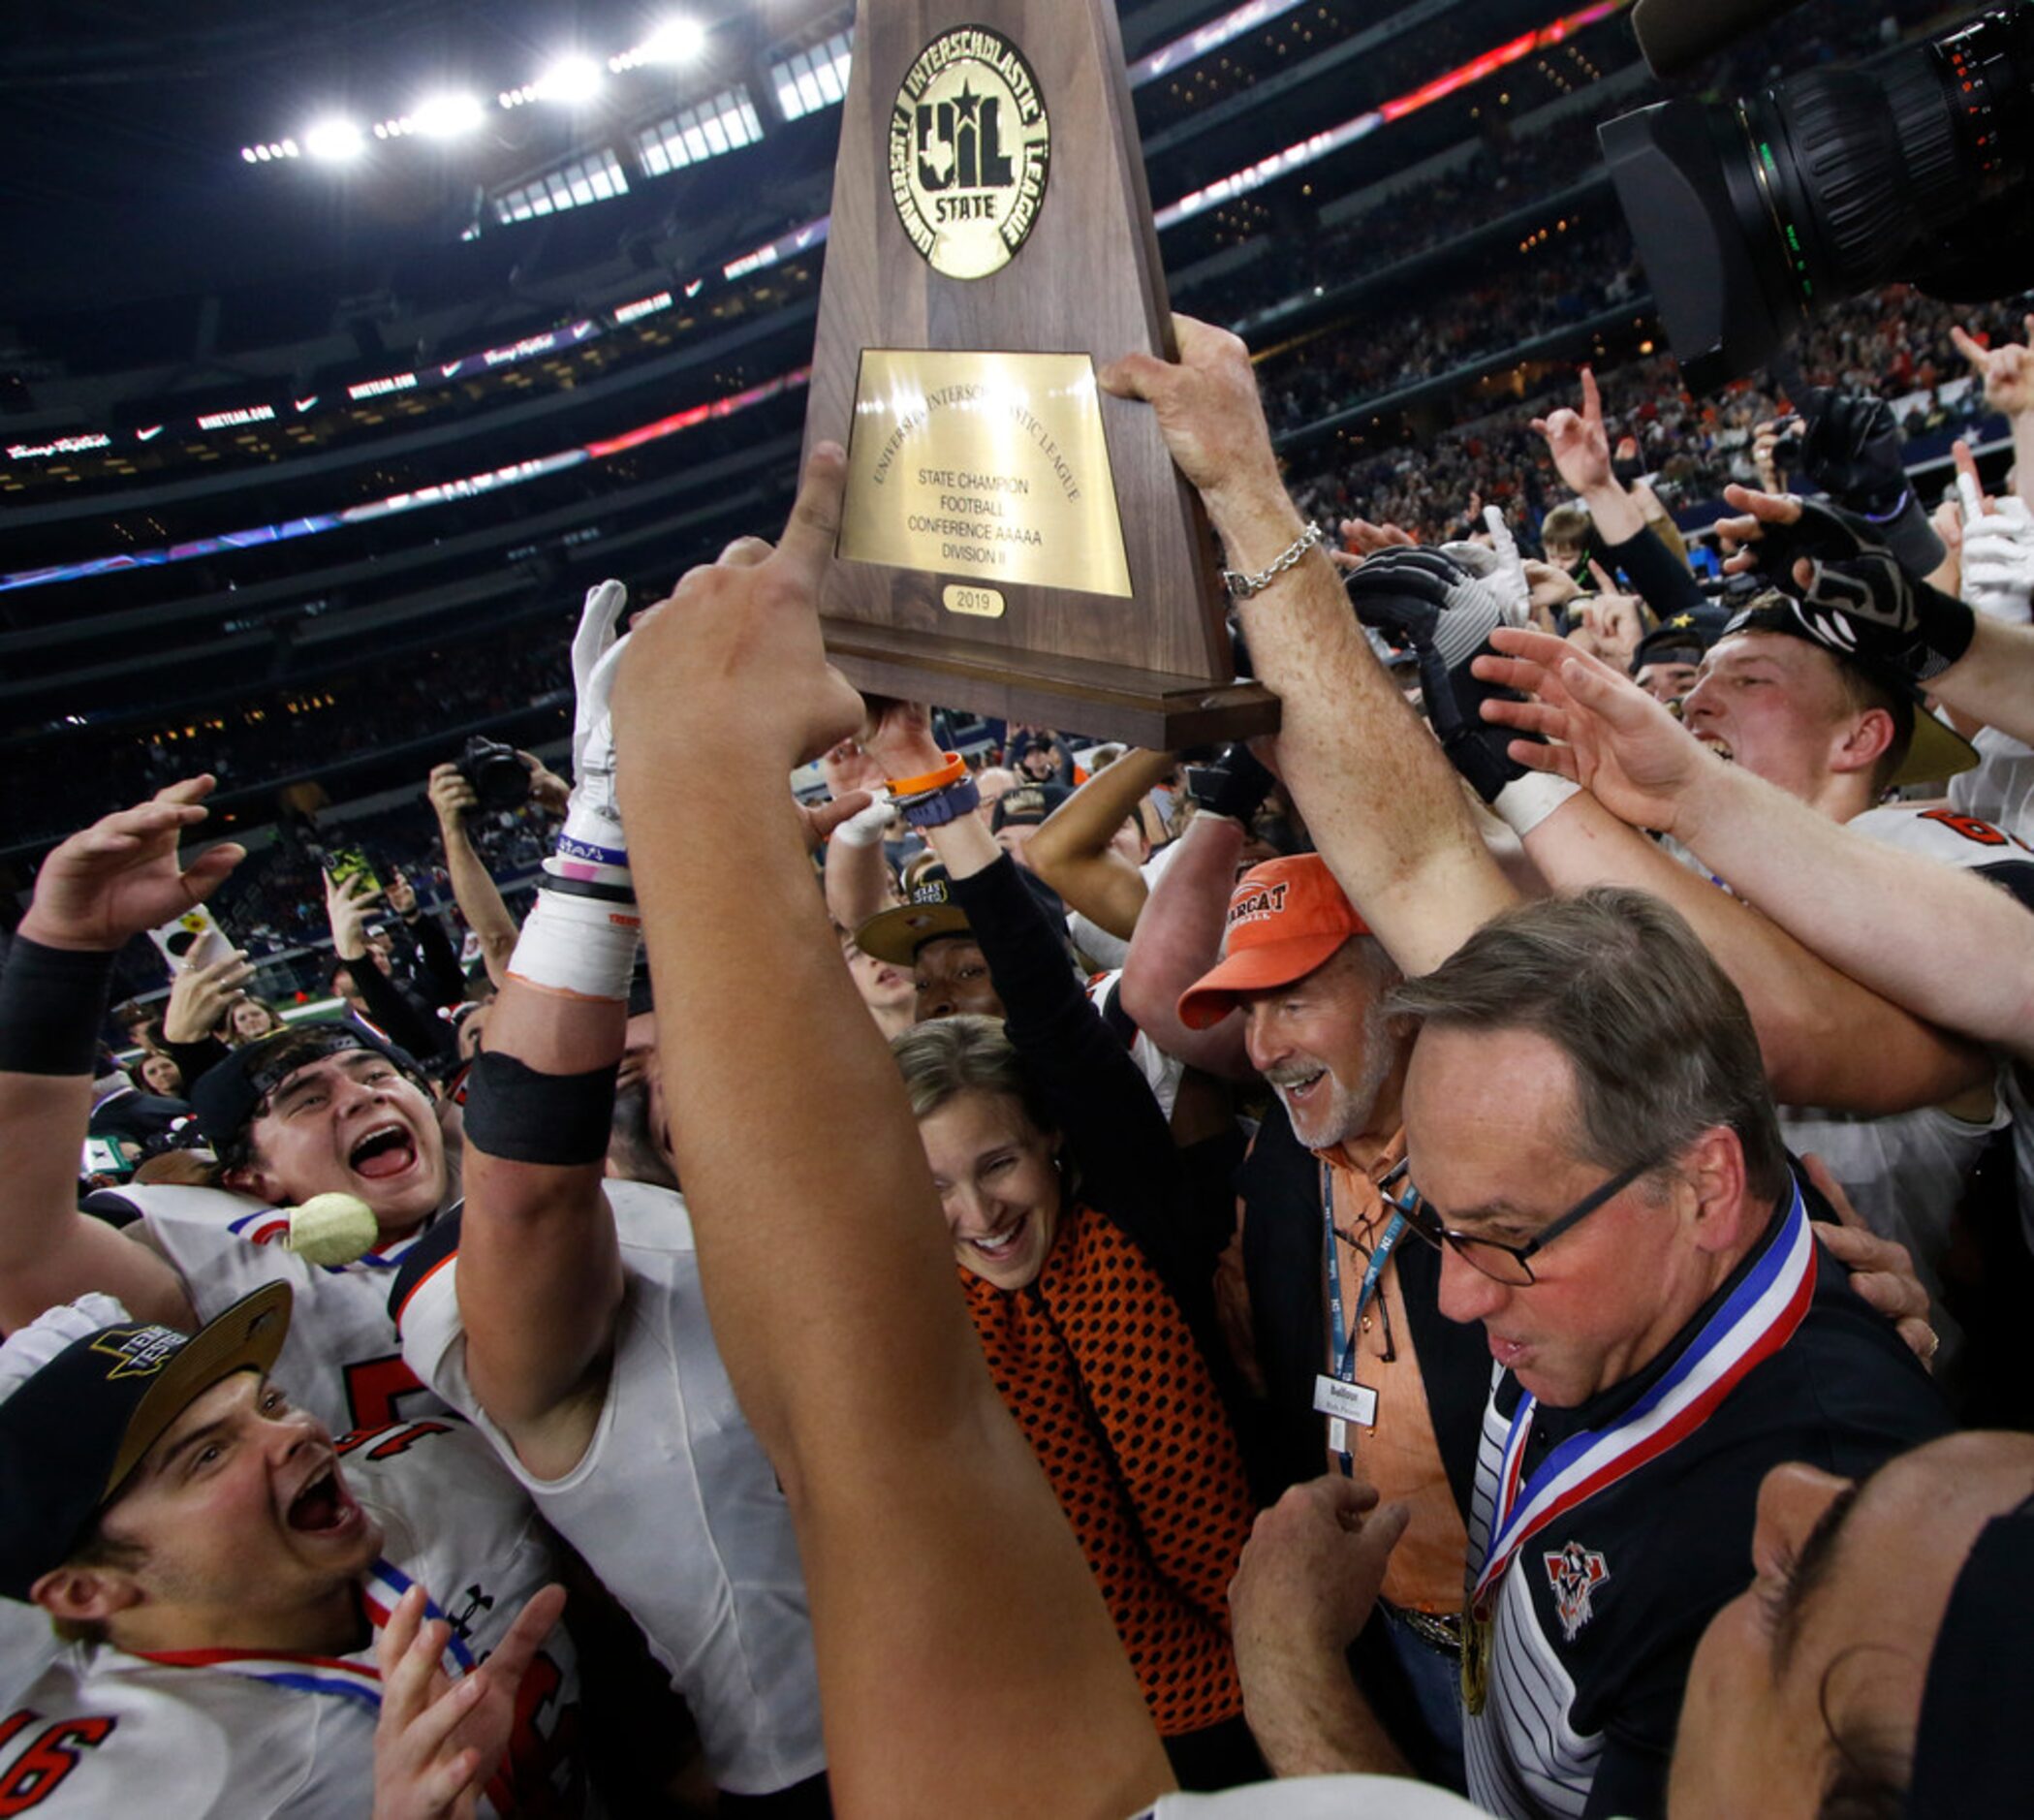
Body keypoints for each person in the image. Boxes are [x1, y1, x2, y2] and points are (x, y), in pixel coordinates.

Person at [390, 579, 831, 1812]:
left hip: (988, 1650)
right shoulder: (471, 1274)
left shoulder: (703, 1177)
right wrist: (597, 825)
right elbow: (527, 1196)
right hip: (812, 1764)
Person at [859, 701, 1260, 1787]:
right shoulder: (923, 1323)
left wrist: (927, 792)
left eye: (995, 1166)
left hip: (1285, 1666)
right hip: (1091, 1727)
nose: (978, 1216)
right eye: (932, 1188)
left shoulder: (1134, 1216)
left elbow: (1046, 1009)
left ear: (1051, 1145)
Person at [0, 1284, 581, 1816]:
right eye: (208, 1455)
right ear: (87, 1589)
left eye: (270, 1403)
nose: (296, 1431)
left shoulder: (446, 1472)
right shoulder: (107, 1794)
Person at [0, 778, 454, 1433]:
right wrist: (65, 947)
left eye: (374, 1074)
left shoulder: (498, 1158)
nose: (360, 1096)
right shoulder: (216, 1263)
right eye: (308, 1099)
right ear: (250, 1176)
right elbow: (21, 1243)